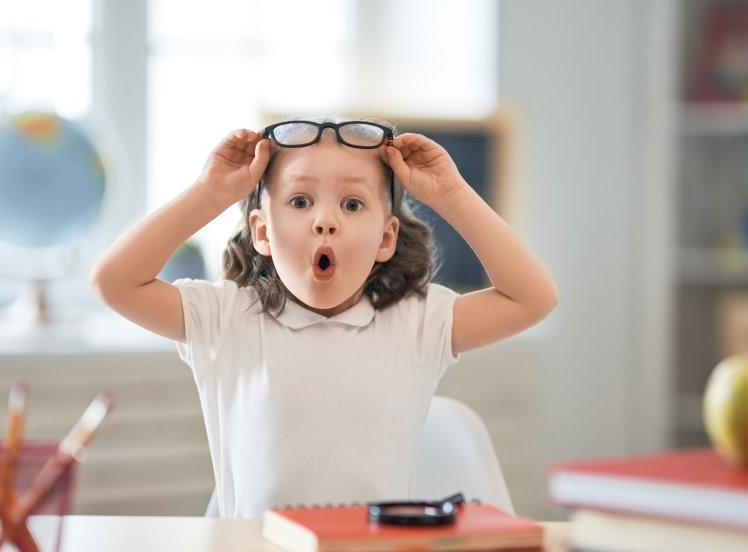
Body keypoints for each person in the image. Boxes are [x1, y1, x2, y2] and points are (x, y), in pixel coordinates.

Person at [90, 118, 558, 518]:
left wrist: (453, 195)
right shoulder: (224, 319)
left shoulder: (417, 324)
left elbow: (533, 298)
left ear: (385, 239)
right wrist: (210, 193)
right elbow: (114, 281)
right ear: (262, 232)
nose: (324, 221)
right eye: (299, 202)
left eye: (352, 204)